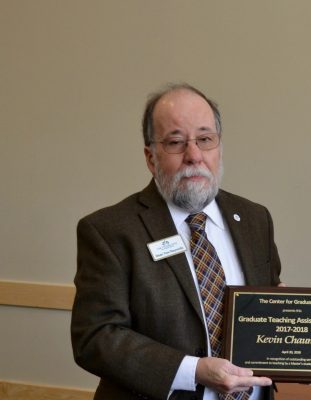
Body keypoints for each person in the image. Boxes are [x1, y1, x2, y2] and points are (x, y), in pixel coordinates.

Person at [71, 83, 281, 400]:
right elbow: (96, 337)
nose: (193, 155)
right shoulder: (109, 231)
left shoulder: (254, 219)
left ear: (219, 147)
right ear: (150, 157)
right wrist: (193, 370)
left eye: (205, 139)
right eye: (175, 142)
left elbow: (272, 306)